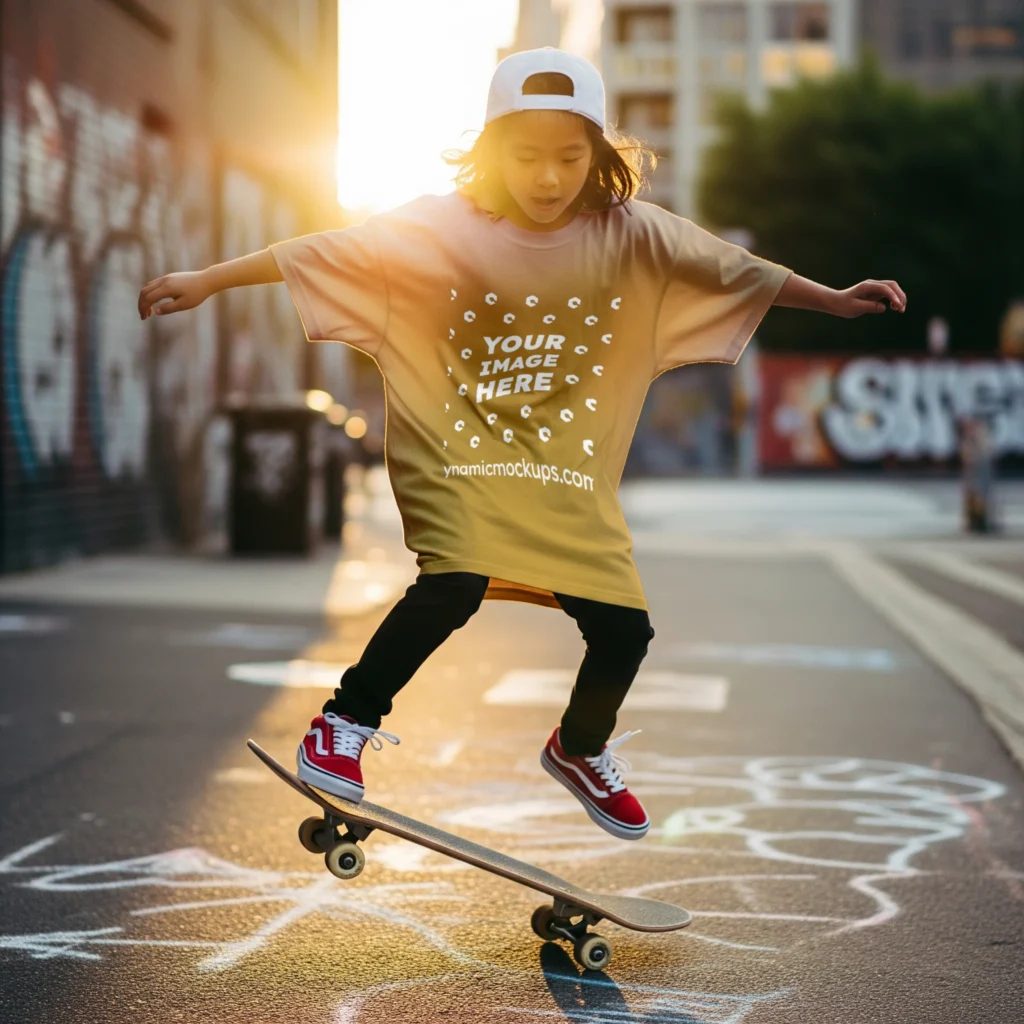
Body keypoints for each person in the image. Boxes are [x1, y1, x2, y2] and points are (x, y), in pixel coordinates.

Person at [137, 48, 906, 841]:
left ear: (599, 155)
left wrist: (835, 301)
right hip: (459, 457)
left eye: (570, 157)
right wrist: (209, 280)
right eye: (527, 156)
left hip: (562, 477)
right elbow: (326, 251)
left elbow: (738, 271)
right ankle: (343, 724)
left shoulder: (633, 233)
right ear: (493, 150)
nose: (548, 177)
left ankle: (579, 748)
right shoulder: (441, 224)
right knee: (454, 582)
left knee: (623, 631)